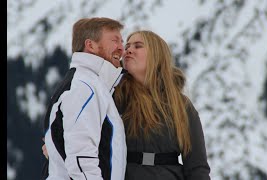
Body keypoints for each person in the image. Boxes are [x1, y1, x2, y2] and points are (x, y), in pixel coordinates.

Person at [113, 30, 211, 179]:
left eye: (138, 46)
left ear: (156, 56)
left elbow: (197, 167)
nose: (129, 50)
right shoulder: (114, 97)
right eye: (127, 47)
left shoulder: (181, 105)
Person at [41, 17, 127, 180]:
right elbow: (81, 159)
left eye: (122, 42)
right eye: (115, 40)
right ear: (91, 46)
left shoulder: (91, 84)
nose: (121, 49)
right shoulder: (84, 87)